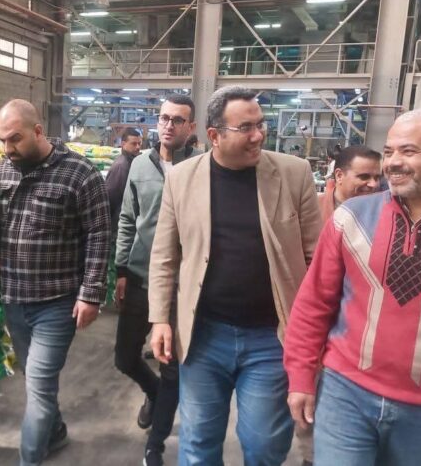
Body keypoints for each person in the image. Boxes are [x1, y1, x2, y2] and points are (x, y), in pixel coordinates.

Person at [283, 108, 421, 466]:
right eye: (388, 152)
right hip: (345, 397)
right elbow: (314, 304)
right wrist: (300, 375)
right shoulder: (351, 218)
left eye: (408, 151)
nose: (393, 162)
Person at [148, 86, 322, 466]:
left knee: (264, 445)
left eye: (261, 125)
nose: (258, 135)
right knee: (198, 443)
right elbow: (164, 255)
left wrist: (313, 335)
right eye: (246, 128)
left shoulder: (293, 174)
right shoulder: (182, 178)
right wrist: (160, 318)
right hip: (203, 335)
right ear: (214, 135)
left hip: (271, 337)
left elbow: (317, 259)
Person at [0, 99, 111, 466]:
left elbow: (99, 235)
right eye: (2, 141)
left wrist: (91, 295)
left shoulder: (80, 173)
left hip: (57, 302)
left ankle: (29, 459)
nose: (7, 149)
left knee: (39, 386)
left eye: (15, 139)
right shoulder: (4, 169)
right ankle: (55, 431)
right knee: (33, 377)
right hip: (14, 297)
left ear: (38, 131)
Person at [113, 95, 201, 466]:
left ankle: (156, 444)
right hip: (140, 276)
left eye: (178, 120)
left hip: (182, 285)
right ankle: (153, 392)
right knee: (124, 358)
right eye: (164, 118)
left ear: (191, 127)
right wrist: (120, 269)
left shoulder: (201, 168)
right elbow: (127, 218)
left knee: (172, 369)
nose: (168, 125)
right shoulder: (139, 165)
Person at [318, 145, 382, 222]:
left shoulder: (384, 212)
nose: (374, 184)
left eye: (377, 178)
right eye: (364, 177)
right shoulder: (313, 208)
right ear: (339, 176)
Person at [105, 128, 143, 236]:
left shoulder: (131, 163)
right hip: (118, 226)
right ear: (123, 144)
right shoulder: (121, 166)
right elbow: (110, 199)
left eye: (139, 143)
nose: (138, 147)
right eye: (134, 144)